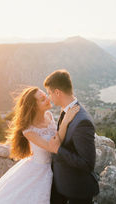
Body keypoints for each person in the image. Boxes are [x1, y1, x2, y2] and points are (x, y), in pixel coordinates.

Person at [0, 86, 79, 204]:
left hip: (53, 166)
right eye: (42, 99)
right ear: (34, 107)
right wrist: (66, 121)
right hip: (39, 169)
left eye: (46, 96)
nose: (48, 99)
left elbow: (58, 138)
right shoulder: (29, 130)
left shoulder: (49, 115)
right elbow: (52, 147)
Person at [44, 69, 99, 204]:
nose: (49, 97)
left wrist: (58, 150)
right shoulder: (66, 111)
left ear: (57, 92)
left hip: (77, 191)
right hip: (62, 184)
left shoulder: (82, 121)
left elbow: (87, 164)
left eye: (49, 93)